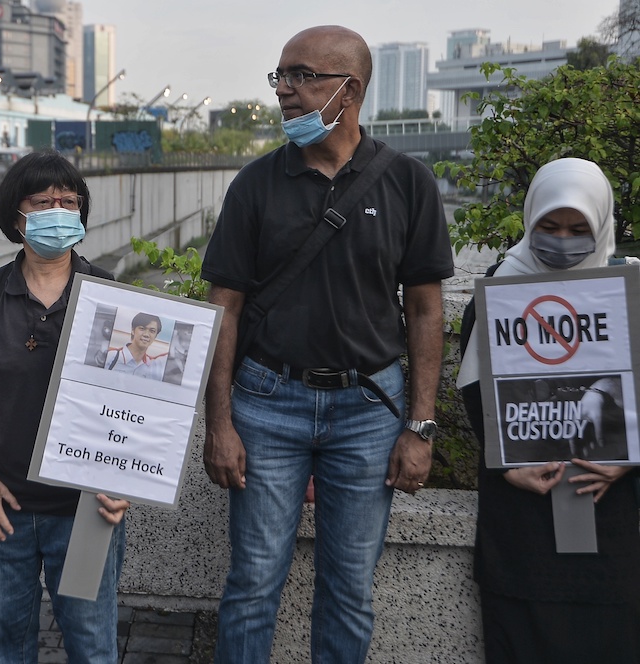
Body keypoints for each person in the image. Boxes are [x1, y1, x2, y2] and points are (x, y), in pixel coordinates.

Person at [200, 25, 454, 663]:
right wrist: (220, 422)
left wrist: (420, 427)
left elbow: (426, 312)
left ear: (352, 90)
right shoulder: (255, 185)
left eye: (303, 76)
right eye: (280, 76)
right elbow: (222, 309)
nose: (285, 90)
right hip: (266, 403)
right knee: (253, 583)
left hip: (369, 410)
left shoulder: (407, 183)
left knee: (349, 591)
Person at [0, 151, 130, 664]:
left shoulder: (108, 296)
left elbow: (139, 406)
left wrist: (121, 482)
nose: (58, 208)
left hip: (87, 509)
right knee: (7, 643)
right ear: (16, 215)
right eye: (43, 201)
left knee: (92, 645)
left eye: (69, 201)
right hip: (0, 506)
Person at [458, 158, 640, 663]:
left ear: (602, 223)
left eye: (579, 228)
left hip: (615, 530)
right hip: (523, 531)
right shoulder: (499, 287)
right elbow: (478, 397)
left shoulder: (631, 291)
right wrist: (507, 464)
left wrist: (629, 458)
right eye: (550, 226)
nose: (563, 239)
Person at [104, 312, 168, 379]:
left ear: (155, 336)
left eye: (152, 331)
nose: (146, 334)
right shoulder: (111, 357)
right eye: (142, 329)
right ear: (133, 330)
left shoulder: (153, 367)